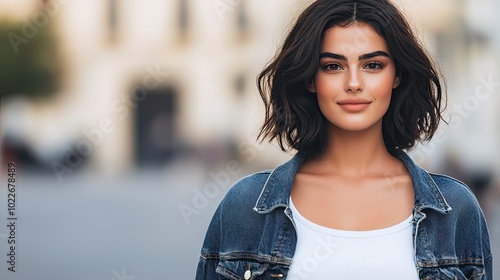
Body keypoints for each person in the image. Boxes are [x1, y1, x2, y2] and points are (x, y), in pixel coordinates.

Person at [196, 0, 493, 279]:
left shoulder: (455, 210)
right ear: (311, 79)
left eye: (373, 65)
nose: (353, 83)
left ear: (397, 75)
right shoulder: (245, 207)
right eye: (333, 66)